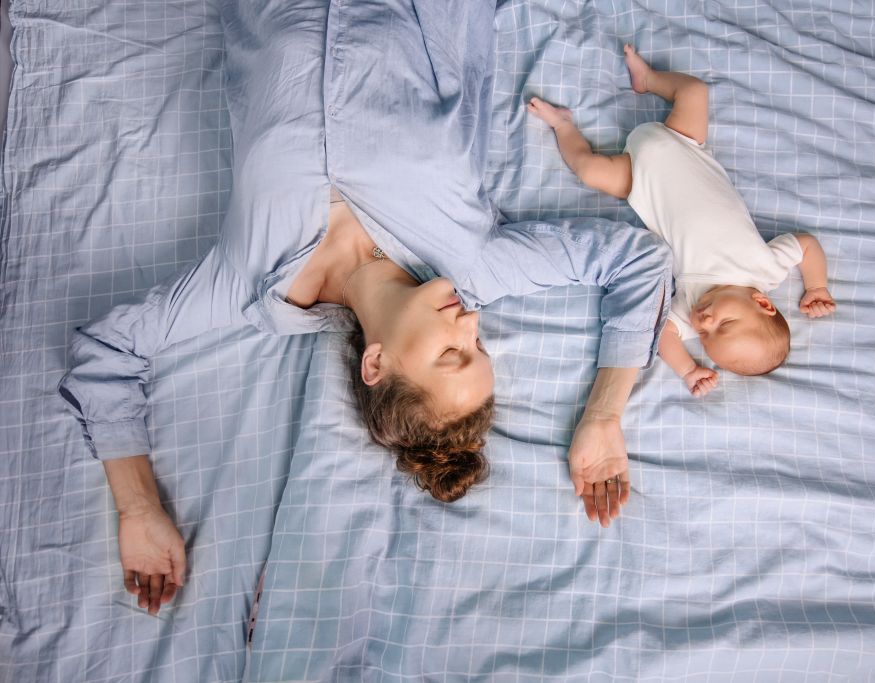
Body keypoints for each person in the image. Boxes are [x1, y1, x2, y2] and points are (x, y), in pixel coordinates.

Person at [58, 3, 671, 615]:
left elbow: (109, 350)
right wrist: (603, 414)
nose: (471, 323)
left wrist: (138, 508)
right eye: (480, 346)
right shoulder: (473, 268)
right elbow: (637, 260)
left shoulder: (247, 285)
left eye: (452, 353)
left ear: (375, 364)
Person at [528, 44, 836, 397]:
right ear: (762, 303)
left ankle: (562, 124)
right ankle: (648, 79)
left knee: (588, 170)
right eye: (725, 324)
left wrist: (688, 369)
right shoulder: (766, 269)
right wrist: (817, 287)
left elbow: (663, 335)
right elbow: (806, 245)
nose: (705, 322)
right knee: (694, 91)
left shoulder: (689, 305)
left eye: (705, 336)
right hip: (685, 145)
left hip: (637, 180)